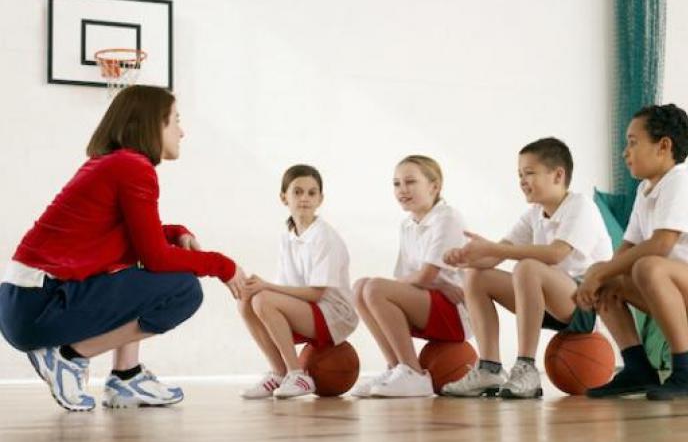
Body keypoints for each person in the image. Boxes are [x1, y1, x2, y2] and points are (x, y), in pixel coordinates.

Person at [0, 85, 246, 411]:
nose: (182, 132)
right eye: (175, 120)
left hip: (24, 302)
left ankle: (126, 377)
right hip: (38, 304)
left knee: (143, 272)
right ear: (150, 124)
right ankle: (69, 357)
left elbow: (127, 241)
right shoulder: (132, 167)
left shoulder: (113, 163)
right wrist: (222, 265)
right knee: (184, 289)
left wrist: (176, 233)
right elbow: (155, 257)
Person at [575, 104, 688, 400]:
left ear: (664, 146)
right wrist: (597, 275)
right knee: (610, 279)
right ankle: (637, 368)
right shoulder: (645, 190)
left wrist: (600, 271)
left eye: (633, 142)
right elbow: (626, 250)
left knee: (648, 266)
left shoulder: (681, 181)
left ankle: (687, 372)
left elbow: (662, 244)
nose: (625, 152)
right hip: (684, 288)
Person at [441, 138, 612, 398]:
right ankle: (489, 368)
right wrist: (465, 259)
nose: (522, 180)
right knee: (477, 276)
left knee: (528, 267)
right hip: (549, 303)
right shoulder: (534, 214)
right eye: (520, 174)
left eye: (529, 173)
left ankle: (526, 367)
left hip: (586, 304)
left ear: (558, 175)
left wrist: (494, 250)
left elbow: (556, 254)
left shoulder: (580, 206)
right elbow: (494, 257)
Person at [350, 155, 469, 398]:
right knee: (360, 286)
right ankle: (396, 368)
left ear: (434, 186)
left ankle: (413, 373)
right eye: (396, 184)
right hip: (431, 301)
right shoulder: (407, 225)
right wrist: (433, 282)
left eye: (410, 182)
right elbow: (414, 278)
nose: (402, 190)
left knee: (373, 288)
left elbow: (422, 277)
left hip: (456, 312)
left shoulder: (447, 218)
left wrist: (429, 280)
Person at [239, 164, 358, 399]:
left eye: (312, 193)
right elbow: (287, 290)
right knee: (246, 298)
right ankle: (279, 373)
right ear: (284, 197)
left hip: (335, 315)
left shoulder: (324, 236)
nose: (305, 198)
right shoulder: (288, 236)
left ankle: (298, 375)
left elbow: (316, 294)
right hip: (311, 310)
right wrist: (257, 288)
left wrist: (266, 287)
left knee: (263, 298)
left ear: (320, 199)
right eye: (298, 192)